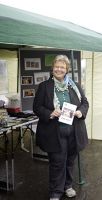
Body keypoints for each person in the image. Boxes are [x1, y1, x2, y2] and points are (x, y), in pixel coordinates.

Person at [33, 55, 89, 200]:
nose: (59, 69)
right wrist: (50, 113)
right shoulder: (44, 86)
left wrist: (80, 112)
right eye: (57, 67)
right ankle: (55, 192)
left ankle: (67, 186)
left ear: (67, 70)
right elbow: (37, 107)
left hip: (74, 131)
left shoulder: (74, 85)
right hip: (54, 132)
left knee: (70, 161)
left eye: (62, 67)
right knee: (57, 162)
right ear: (52, 68)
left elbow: (85, 103)